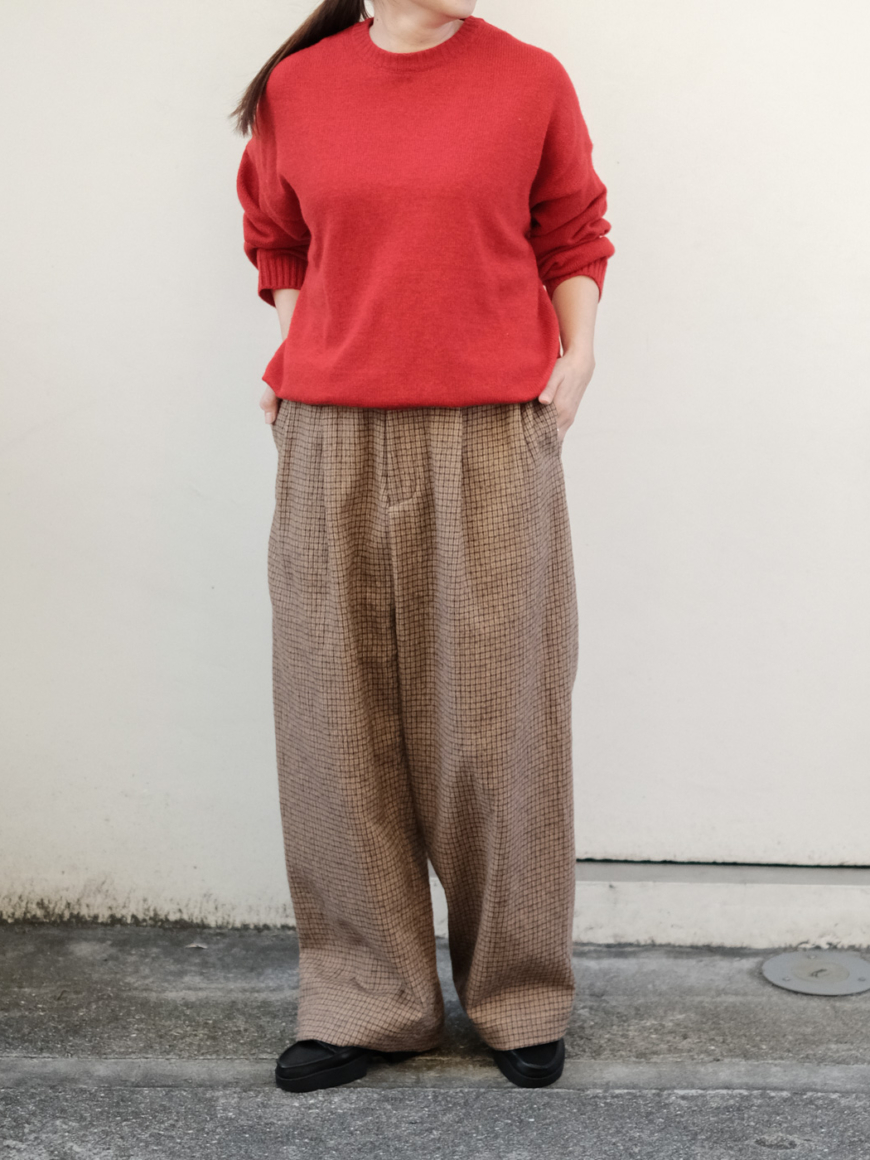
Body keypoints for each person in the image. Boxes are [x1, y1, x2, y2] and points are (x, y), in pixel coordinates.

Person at [233, 0, 614, 1093]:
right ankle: (368, 1000)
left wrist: (577, 358)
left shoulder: (530, 80)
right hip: (331, 433)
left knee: (501, 721)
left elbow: (574, 230)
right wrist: (303, 346)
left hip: (491, 430)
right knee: (336, 715)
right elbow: (279, 236)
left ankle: (519, 994)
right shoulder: (300, 88)